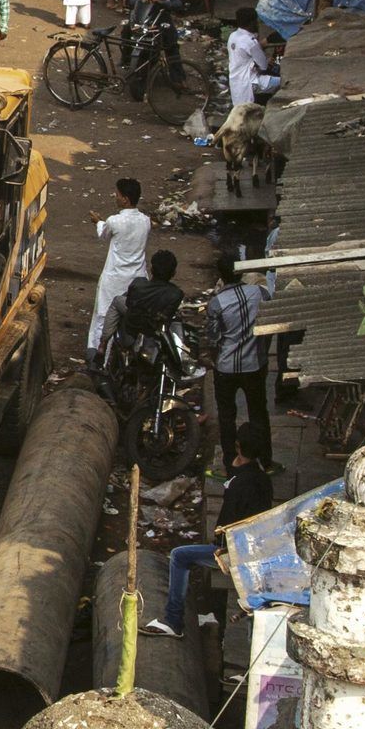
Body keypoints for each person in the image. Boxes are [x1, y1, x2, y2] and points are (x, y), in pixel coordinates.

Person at [146, 442, 276, 637]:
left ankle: (173, 621)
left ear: (239, 449)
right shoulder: (264, 480)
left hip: (237, 551)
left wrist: (219, 545)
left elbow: (225, 526)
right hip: (258, 545)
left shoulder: (238, 483)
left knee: (179, 556)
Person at [206, 270, 276, 469]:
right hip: (254, 365)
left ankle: (230, 464)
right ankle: (266, 460)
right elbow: (269, 323)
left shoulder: (217, 303)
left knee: (227, 417)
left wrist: (215, 357)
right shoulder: (259, 293)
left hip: (226, 367)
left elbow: (213, 337)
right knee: (259, 414)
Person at [89, 177, 153, 359]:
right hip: (137, 278)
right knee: (134, 318)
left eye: (117, 194)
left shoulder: (114, 221)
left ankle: (100, 355)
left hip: (114, 278)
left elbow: (103, 234)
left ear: (125, 199)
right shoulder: (145, 221)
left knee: (103, 315)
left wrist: (98, 221)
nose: (115, 197)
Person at [227, 10, 283, 110]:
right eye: (256, 21)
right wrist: (267, 60)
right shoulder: (250, 42)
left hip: (236, 82)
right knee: (283, 82)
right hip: (250, 82)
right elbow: (264, 66)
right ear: (252, 23)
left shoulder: (233, 36)